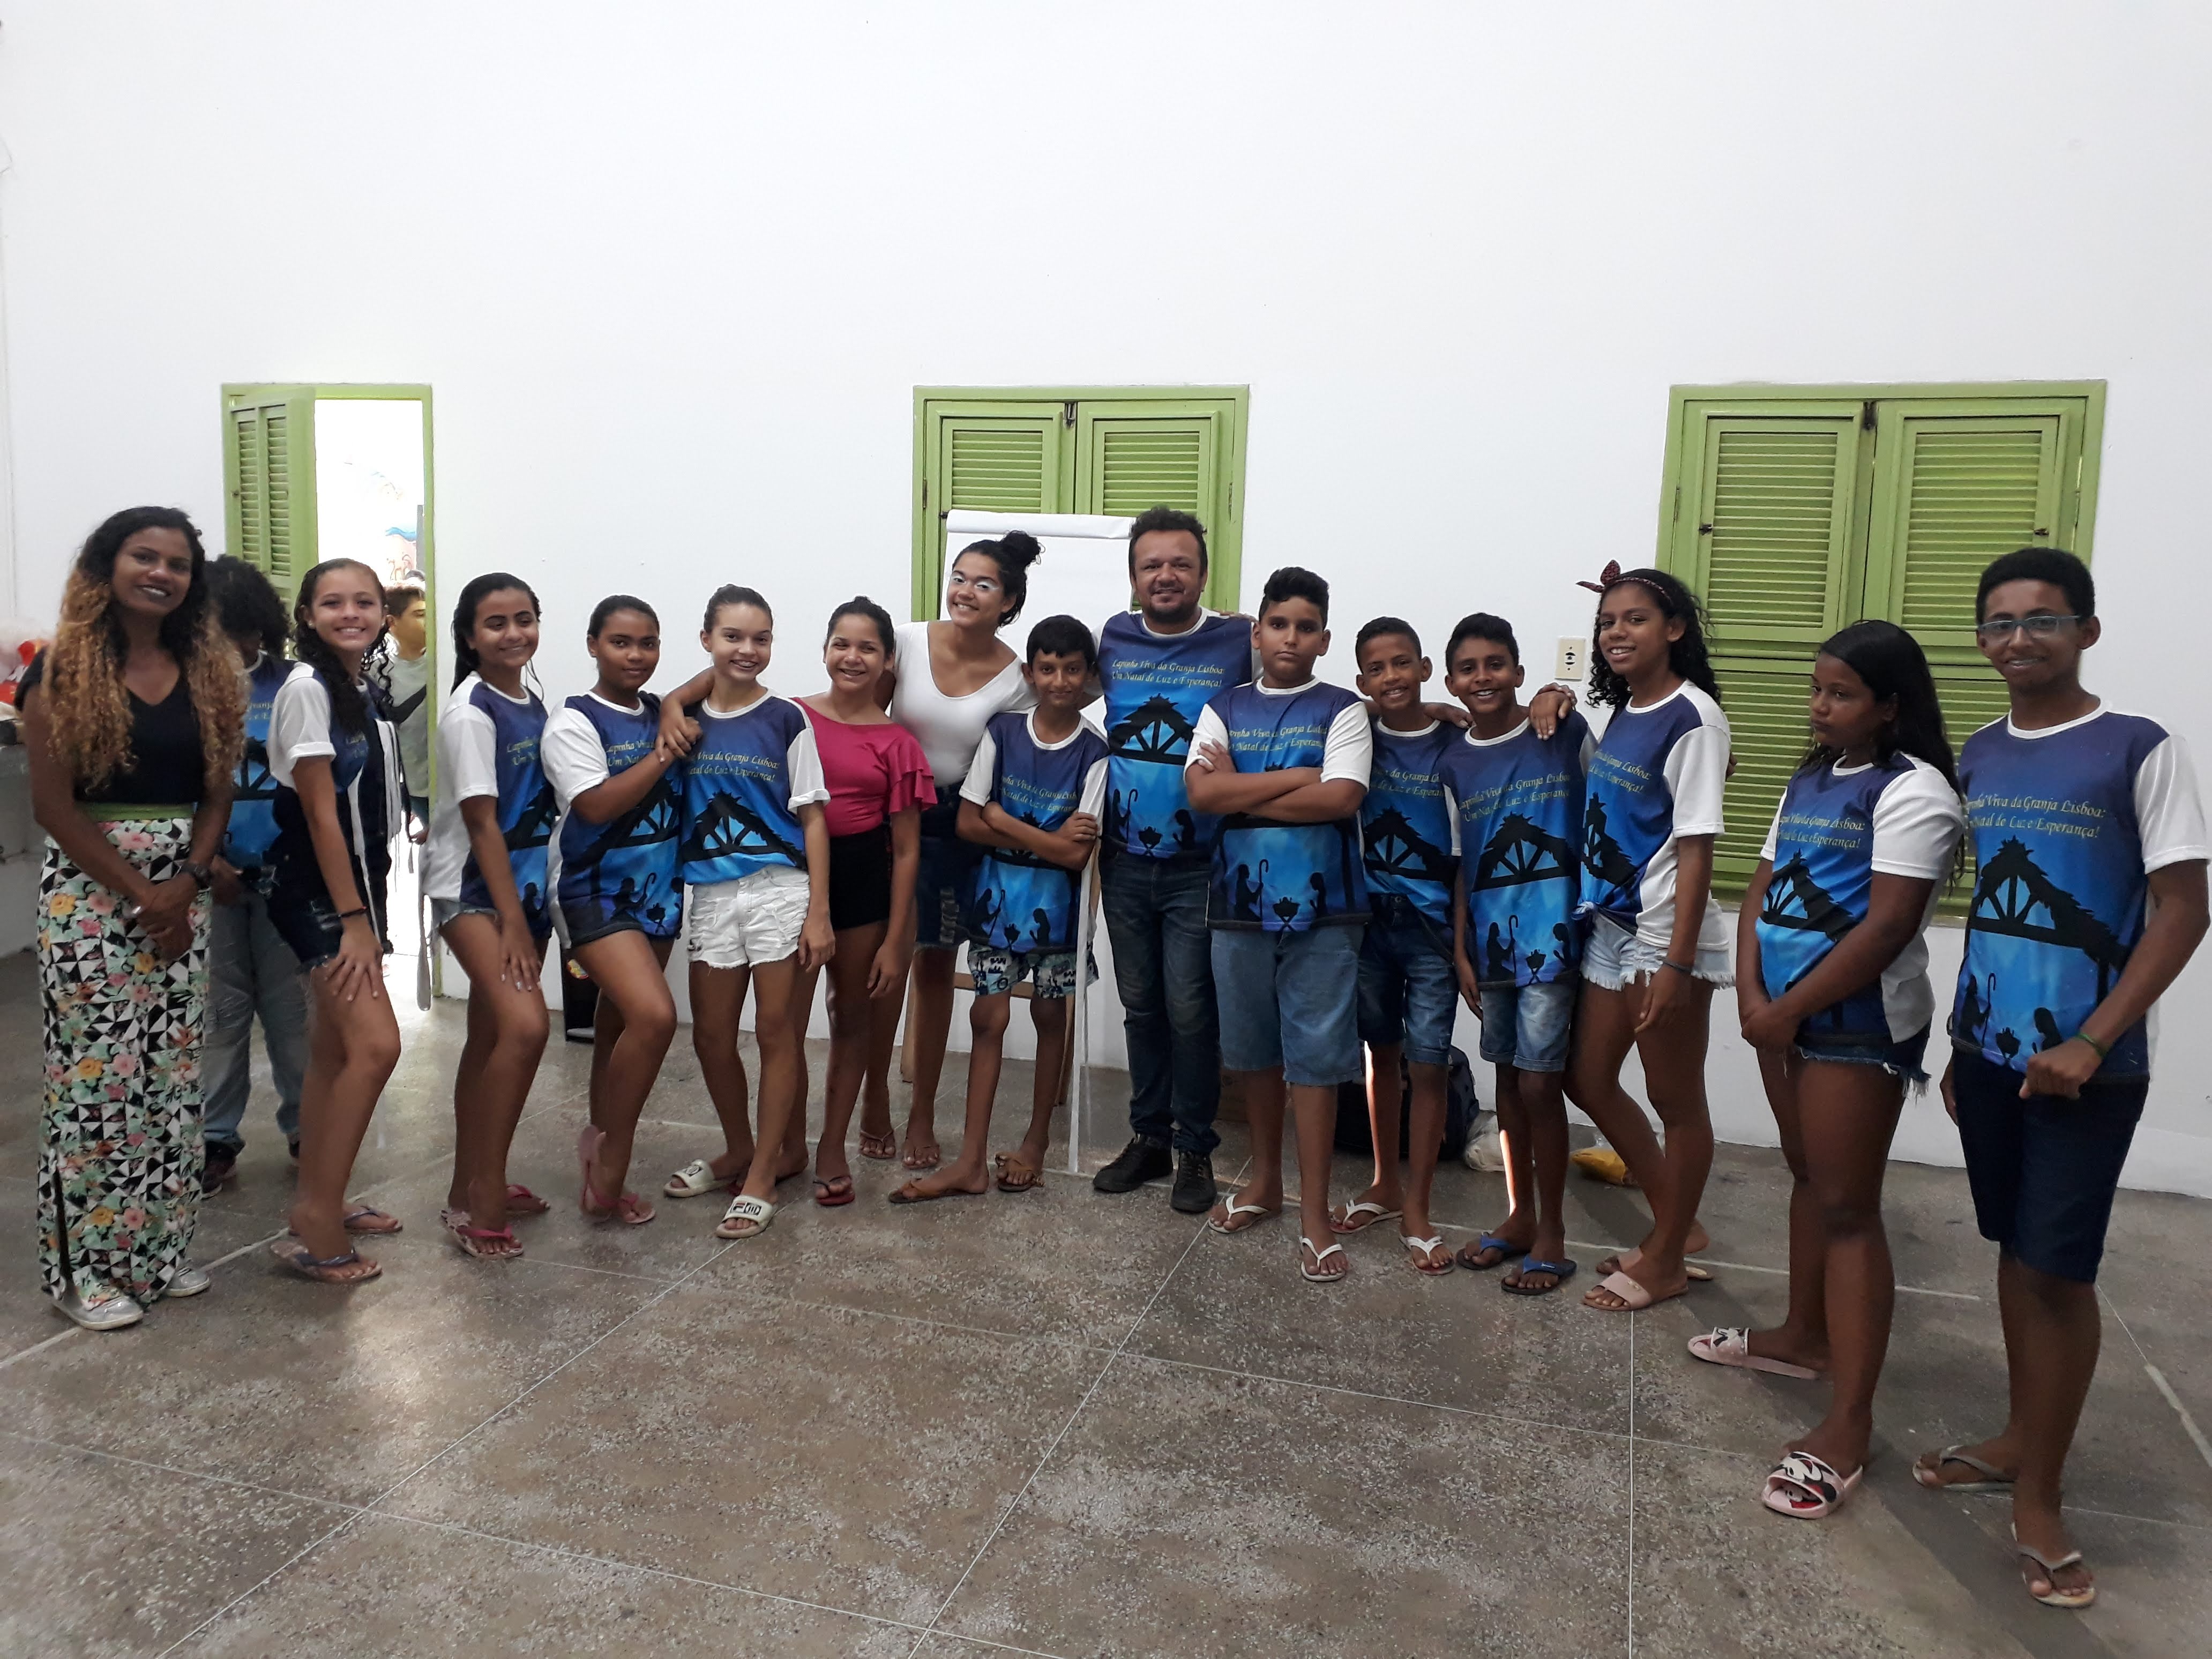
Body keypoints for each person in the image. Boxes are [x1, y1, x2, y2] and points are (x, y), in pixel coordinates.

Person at [1912, 548, 2206, 1609]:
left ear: (2085, 629)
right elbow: (1990, 908)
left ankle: (2041, 1491)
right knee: (2012, 1247)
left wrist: (2092, 1038)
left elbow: (2183, 908)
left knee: (2058, 1270)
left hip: (2090, 1067)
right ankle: (2016, 1436)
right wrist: (1961, 1042)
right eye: (1998, 622)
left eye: (2040, 619)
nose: (2018, 639)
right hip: (1990, 1054)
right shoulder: (1982, 752)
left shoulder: (2137, 748)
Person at [1701, 621, 1965, 1521]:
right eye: (1816, 689)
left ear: (1889, 705)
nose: (1819, 707)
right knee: (1807, 1176)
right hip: (1779, 1016)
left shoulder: (1914, 790)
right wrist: (1752, 994)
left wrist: (1785, 1010)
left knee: (1848, 1209)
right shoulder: (1811, 777)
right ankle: (1801, 1335)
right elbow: (1763, 888)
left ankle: (1848, 1425)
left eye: (1841, 694)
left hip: (1854, 1029)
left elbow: (1886, 926)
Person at [21, 507, 243, 1328]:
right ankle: (85, 1272)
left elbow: (217, 790)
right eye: (144, 557)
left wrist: (188, 878)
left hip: (181, 890)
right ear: (107, 566)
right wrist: (147, 894)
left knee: (168, 1077)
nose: (161, 573)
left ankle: (157, 1250)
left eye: (178, 564)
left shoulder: (207, 668)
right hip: (91, 896)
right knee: (98, 1081)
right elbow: (54, 808)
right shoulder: (61, 670)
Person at [1187, 567, 1372, 1283]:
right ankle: (1264, 1181)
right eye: (1278, 624)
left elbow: (1342, 798)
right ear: (1257, 633)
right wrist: (1298, 777)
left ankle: (1315, 1215)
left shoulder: (1343, 709)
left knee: (1316, 1062)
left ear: (1323, 639)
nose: (1290, 637)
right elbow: (1202, 794)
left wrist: (1241, 790)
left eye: (1305, 627)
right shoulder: (1224, 707)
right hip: (1238, 907)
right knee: (1253, 1054)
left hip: (1327, 911)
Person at [893, 615, 1108, 1202]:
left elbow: (1075, 855)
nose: (1059, 681)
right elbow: (967, 821)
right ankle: (970, 1161)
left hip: (1059, 915)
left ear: (1089, 674)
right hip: (995, 906)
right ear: (1030, 674)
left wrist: (1005, 820)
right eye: (1047, 668)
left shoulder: (1096, 752)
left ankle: (1035, 1144)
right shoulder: (1003, 732)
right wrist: (1044, 837)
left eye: (1072, 669)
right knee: (987, 1020)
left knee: (1049, 1017)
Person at [1571, 566, 1732, 1313]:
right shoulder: (1627, 711)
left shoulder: (1693, 718)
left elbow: (1698, 850)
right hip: (1611, 925)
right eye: (1608, 622)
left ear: (1674, 629)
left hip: (1662, 934)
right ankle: (1678, 1228)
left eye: (1635, 619)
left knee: (1676, 1099)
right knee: (1587, 1077)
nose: (1617, 633)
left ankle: (1665, 1258)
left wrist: (1676, 962)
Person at [1092, 506, 1253, 1214]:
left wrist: (1420, 712)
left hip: (1202, 862)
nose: (1166, 575)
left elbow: (1301, 695)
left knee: (1191, 1009)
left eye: (1180, 563)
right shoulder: (1112, 637)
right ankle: (1149, 1136)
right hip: (1124, 858)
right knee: (1141, 1006)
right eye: (1151, 564)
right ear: (1133, 577)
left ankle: (1195, 1148)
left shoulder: (1239, 640)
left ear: (1204, 574)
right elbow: (1049, 690)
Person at [672, 586, 834, 1240]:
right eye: (733, 636)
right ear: (706, 639)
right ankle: (739, 1148)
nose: (748, 649)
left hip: (779, 890)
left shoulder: (787, 719)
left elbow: (813, 818)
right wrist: (671, 704)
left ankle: (765, 1172)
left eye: (760, 638)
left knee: (775, 1032)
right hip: (712, 894)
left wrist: (818, 911)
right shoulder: (684, 719)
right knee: (711, 1035)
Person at [1439, 612, 1593, 1295]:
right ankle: (1519, 1215)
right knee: (1506, 1080)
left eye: (1496, 664)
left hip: (1555, 943)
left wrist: (1562, 695)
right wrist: (1461, 951)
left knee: (1539, 1084)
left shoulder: (1561, 734)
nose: (1484, 678)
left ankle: (1553, 1233)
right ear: (1452, 681)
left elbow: (1614, 797)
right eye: (1469, 668)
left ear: (1520, 672)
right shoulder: (1454, 764)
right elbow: (1463, 864)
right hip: (1491, 946)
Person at [264, 558, 406, 1283]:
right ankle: (316, 1218)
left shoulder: (360, 690)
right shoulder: (306, 690)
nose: (351, 613)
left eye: (364, 602)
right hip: (316, 890)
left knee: (331, 1050)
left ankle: (322, 1197)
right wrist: (354, 920)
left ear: (383, 613)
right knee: (377, 1046)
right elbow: (321, 816)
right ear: (307, 615)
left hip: (356, 886)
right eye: (333, 603)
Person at [884, 532, 1041, 1171]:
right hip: (888, 817)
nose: (964, 592)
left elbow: (1042, 734)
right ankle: (871, 1106)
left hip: (955, 830)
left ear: (1009, 602)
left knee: (932, 969)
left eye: (983, 584)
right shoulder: (905, 640)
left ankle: (921, 1114)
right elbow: (859, 712)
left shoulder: (1018, 679)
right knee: (873, 967)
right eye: (958, 577)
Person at [773, 598, 933, 1208]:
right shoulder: (789, 717)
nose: (853, 657)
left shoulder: (898, 743)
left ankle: (831, 1146)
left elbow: (908, 850)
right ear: (824, 650)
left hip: (865, 883)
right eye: (842, 644)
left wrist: (896, 941)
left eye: (868, 648)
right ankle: (787, 1142)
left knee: (852, 1019)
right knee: (784, 1023)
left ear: (888, 660)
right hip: (794, 882)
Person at [541, 596, 687, 1234]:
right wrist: (665, 753)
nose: (636, 655)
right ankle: (611, 1157)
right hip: (593, 892)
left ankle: (600, 1141)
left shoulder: (660, 711)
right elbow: (596, 806)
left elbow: (708, 678)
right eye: (621, 642)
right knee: (655, 1017)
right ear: (593, 645)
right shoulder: (574, 721)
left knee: (619, 1021)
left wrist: (675, 706)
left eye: (648, 643)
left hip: (658, 892)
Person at [423, 572, 557, 1259]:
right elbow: (481, 824)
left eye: (524, 619)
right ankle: (484, 1197)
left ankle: (466, 1187)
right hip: (474, 893)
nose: (514, 634)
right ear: (469, 637)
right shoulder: (471, 712)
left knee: (488, 1038)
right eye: (496, 623)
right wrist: (512, 925)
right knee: (527, 1026)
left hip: (522, 893)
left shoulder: (530, 700)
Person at [1335, 618, 1462, 1272]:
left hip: (1433, 928)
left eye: (1403, 663)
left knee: (1429, 1063)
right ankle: (1385, 1183)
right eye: (1377, 668)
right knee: (1379, 1055)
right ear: (1362, 680)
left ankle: (1419, 1205)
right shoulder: (1355, 734)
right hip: (1369, 923)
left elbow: (1467, 851)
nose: (1392, 677)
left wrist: (1463, 943)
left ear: (1424, 667)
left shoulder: (1455, 743)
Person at [200, 558, 308, 1191]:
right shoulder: (179, 690)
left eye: (247, 631)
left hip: (286, 875)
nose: (238, 647)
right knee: (221, 1013)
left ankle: (307, 1127)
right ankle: (215, 1137)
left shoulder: (294, 685)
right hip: (207, 880)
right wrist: (205, 863)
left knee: (292, 1012)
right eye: (220, 633)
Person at [376, 576, 433, 832]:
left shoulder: (445, 663)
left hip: (449, 784)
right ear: (392, 623)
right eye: (419, 615)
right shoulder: (376, 672)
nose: (428, 621)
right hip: (414, 789)